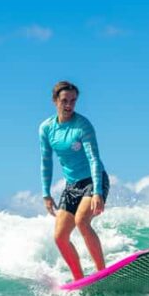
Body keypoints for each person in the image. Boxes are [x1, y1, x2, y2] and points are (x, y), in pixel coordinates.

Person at [40, 81, 110, 281]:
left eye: (73, 100)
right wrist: (46, 193)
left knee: (82, 221)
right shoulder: (46, 128)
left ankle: (102, 274)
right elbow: (46, 161)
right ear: (55, 101)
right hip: (72, 186)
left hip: (93, 180)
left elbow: (94, 159)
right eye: (64, 100)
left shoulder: (82, 125)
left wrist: (97, 192)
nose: (69, 105)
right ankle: (79, 280)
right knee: (60, 237)